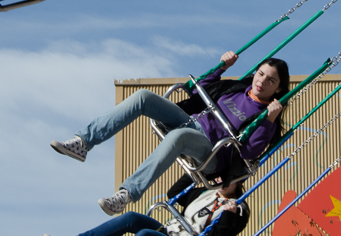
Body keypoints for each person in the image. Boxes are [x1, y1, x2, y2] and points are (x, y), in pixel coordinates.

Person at [49, 52, 289, 215]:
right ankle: (83, 142)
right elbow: (197, 90)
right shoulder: (237, 88)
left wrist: (268, 121)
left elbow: (249, 151)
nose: (262, 81)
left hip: (211, 153)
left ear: (278, 88)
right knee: (143, 97)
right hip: (192, 123)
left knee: (178, 137)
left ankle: (125, 195)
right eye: (260, 74)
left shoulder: (267, 116)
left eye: (271, 80)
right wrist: (222, 67)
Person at [53, 175, 249, 236]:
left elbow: (222, 235)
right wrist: (196, 173)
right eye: (220, 176)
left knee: (144, 235)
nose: (221, 181)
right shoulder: (205, 192)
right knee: (131, 218)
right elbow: (174, 194)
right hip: (168, 231)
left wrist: (229, 214)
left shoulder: (239, 207)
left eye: (229, 179)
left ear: (240, 181)